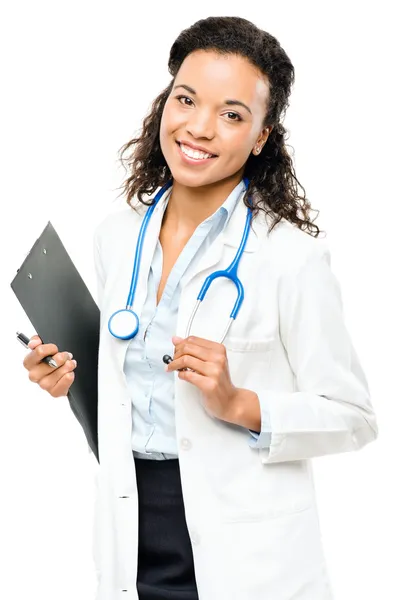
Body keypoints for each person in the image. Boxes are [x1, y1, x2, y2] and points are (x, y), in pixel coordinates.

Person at [23, 15, 378, 600]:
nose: (200, 127)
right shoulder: (116, 236)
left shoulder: (290, 259)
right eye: (186, 99)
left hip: (245, 546)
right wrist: (67, 378)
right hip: (131, 520)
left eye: (233, 114)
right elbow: (124, 389)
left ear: (262, 137)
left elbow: (355, 417)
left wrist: (240, 403)